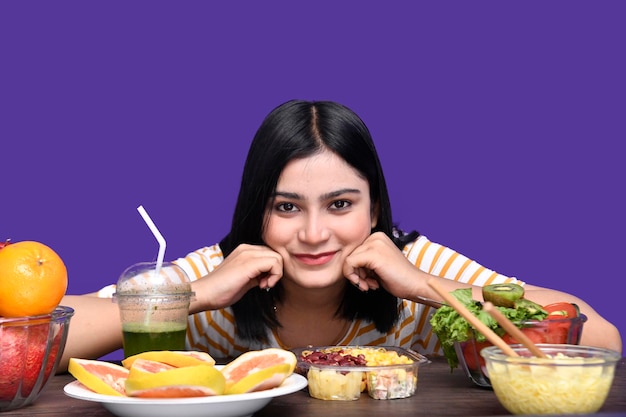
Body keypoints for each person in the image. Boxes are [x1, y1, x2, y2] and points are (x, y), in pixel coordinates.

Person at [59, 99, 622, 372]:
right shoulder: (220, 273)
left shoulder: (409, 264)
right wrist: (197, 295)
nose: (312, 233)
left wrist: (428, 286)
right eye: (286, 206)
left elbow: (600, 339)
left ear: (374, 208)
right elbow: (31, 346)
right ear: (257, 211)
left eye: (340, 204)